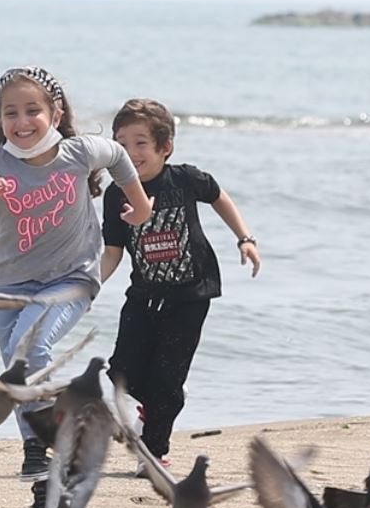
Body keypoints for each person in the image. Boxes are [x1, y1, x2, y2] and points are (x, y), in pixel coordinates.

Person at [0, 66, 154, 508]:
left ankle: (40, 449)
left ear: (55, 112)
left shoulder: (77, 152)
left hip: (72, 278)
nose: (22, 121)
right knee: (19, 373)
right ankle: (45, 474)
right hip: (10, 286)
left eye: (33, 110)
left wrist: (141, 203)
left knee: (26, 350)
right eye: (11, 113)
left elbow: (116, 155)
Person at [101, 98, 261, 473]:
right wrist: (88, 286)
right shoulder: (115, 194)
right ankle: (159, 401)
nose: (131, 152)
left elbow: (219, 196)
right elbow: (112, 251)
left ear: (164, 147)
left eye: (140, 143)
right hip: (143, 294)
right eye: (121, 144)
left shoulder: (185, 179)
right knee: (121, 372)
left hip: (191, 294)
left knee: (167, 380)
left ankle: (153, 453)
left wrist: (245, 238)